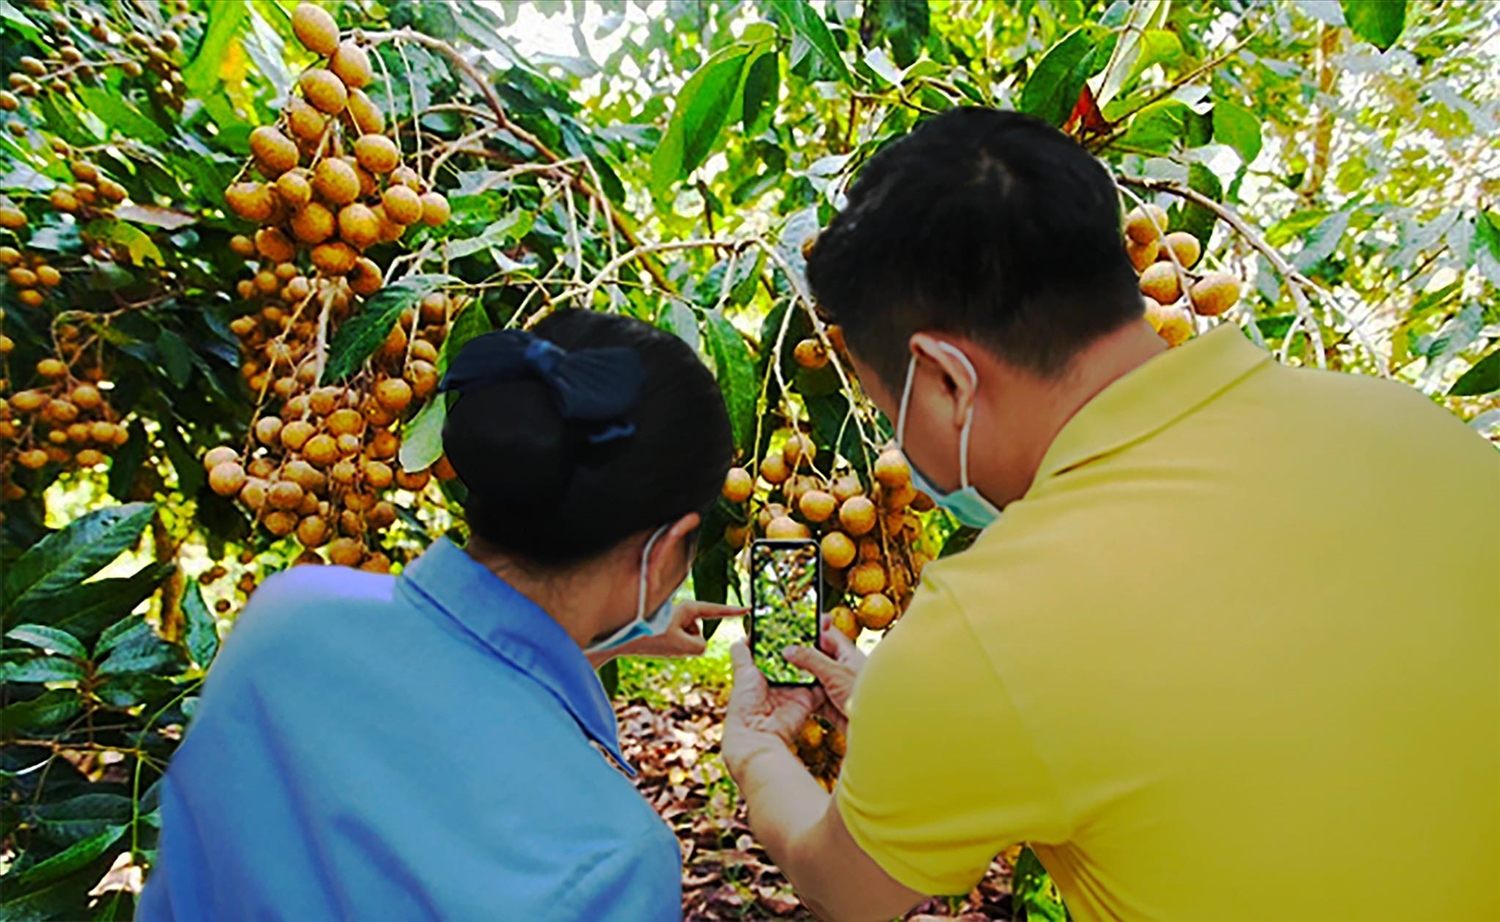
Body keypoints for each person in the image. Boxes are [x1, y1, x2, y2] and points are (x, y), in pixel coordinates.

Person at [721, 107, 1499, 922]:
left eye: (889, 410)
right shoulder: (1415, 428)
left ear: (946, 379)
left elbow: (846, 888)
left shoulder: (990, 624)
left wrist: (757, 751)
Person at [138, 309, 739, 921]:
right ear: (667, 552)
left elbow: (432, 705)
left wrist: (607, 639)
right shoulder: (611, 857)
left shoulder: (285, 618)